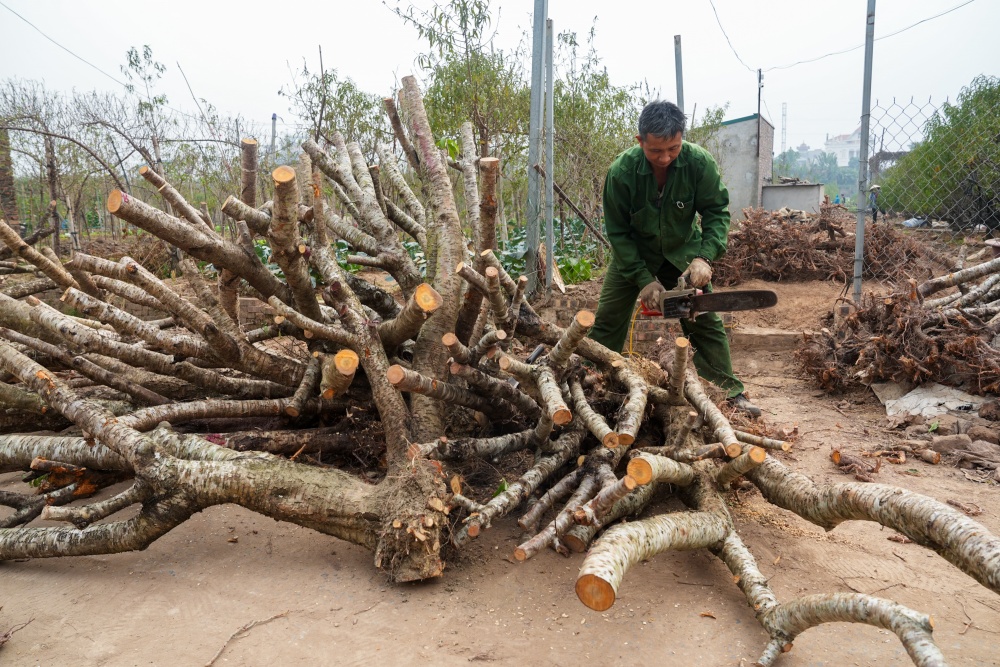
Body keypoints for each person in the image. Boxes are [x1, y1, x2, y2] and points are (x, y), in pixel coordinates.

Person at [590, 100, 761, 417]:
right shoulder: (621, 173)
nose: (665, 157)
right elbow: (618, 234)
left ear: (682, 138)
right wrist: (643, 281)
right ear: (640, 141)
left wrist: (704, 258)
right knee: (608, 320)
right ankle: (590, 382)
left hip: (682, 255)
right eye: (656, 151)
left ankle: (729, 394)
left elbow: (716, 213)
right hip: (634, 258)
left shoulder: (699, 163)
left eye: (673, 148)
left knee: (704, 319)